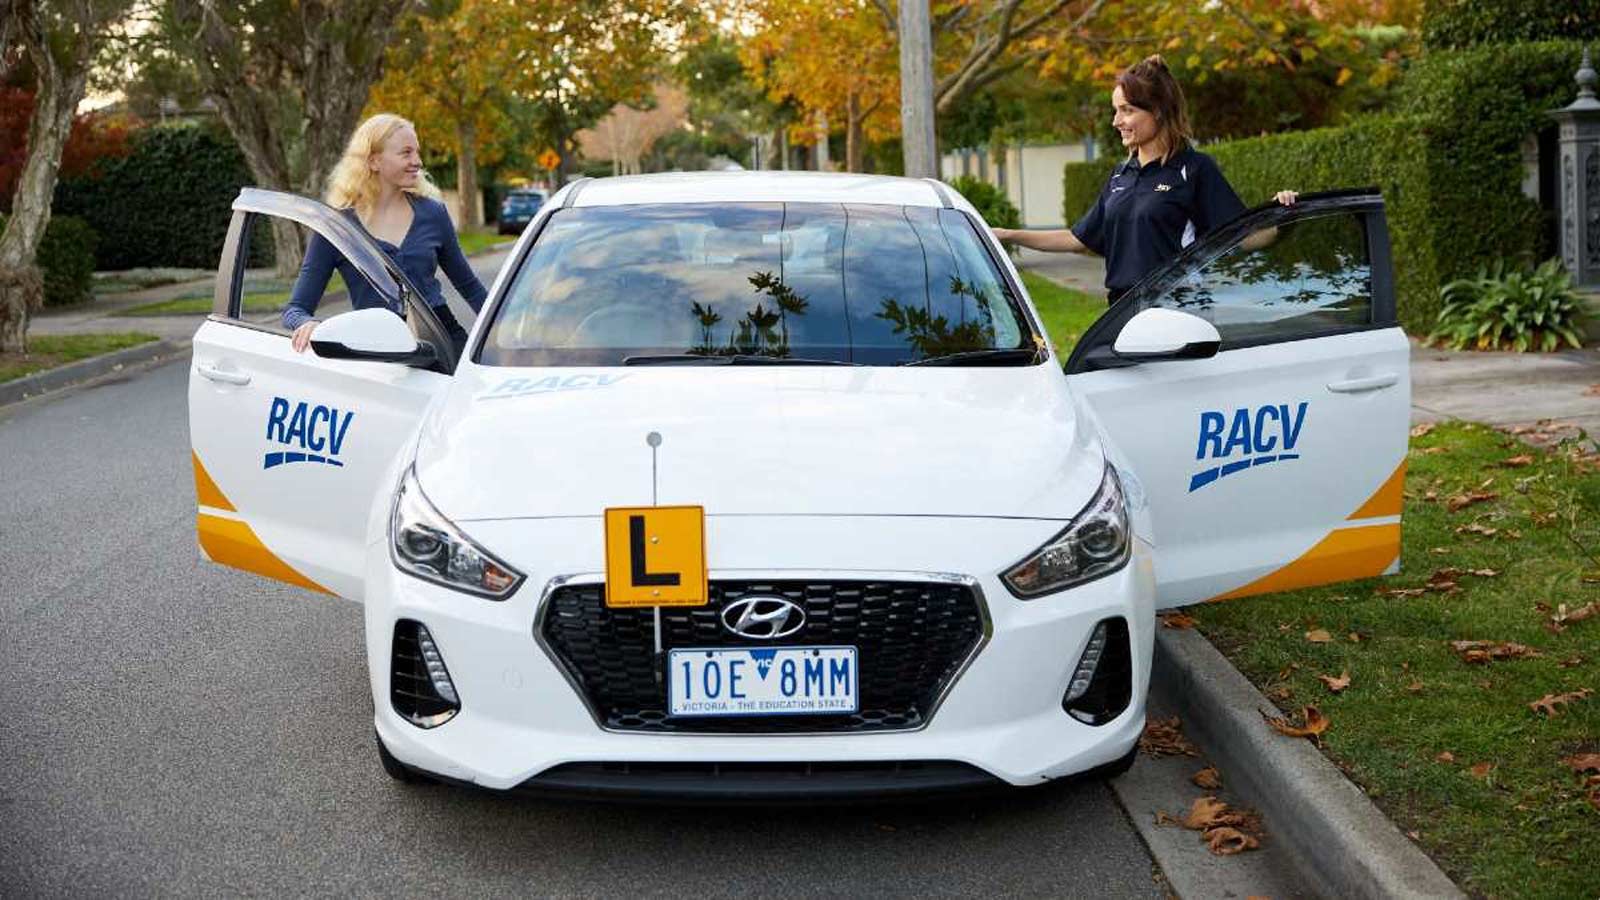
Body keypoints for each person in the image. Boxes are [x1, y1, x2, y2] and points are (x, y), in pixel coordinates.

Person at [991, 55, 1298, 304]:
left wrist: (1281, 217)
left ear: (1159, 112)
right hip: (1121, 312)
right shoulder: (1120, 176)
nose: (1116, 121)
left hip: (1178, 309)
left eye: (1126, 110)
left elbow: (1244, 236)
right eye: (1116, 111)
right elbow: (1077, 238)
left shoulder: (1194, 169)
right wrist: (1009, 235)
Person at [283, 113, 487, 354]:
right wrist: (307, 323)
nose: (418, 161)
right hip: (377, 351)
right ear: (373, 162)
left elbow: (470, 287)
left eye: (417, 152)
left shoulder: (433, 213)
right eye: (406, 153)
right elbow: (295, 309)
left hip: (443, 343)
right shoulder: (337, 227)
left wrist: (505, 328)